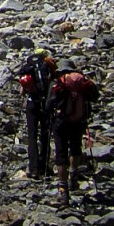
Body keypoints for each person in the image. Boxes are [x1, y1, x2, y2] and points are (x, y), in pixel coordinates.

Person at [49, 64, 99, 201]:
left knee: (61, 152)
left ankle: (62, 189)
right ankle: (74, 175)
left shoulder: (59, 82)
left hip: (61, 122)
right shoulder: (82, 82)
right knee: (76, 147)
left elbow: (49, 104)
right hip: (78, 121)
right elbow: (94, 98)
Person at [13, 52, 58, 180]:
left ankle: (33, 168)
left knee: (32, 136)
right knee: (45, 134)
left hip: (32, 104)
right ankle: (44, 166)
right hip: (46, 104)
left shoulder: (29, 68)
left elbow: (22, 91)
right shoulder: (48, 66)